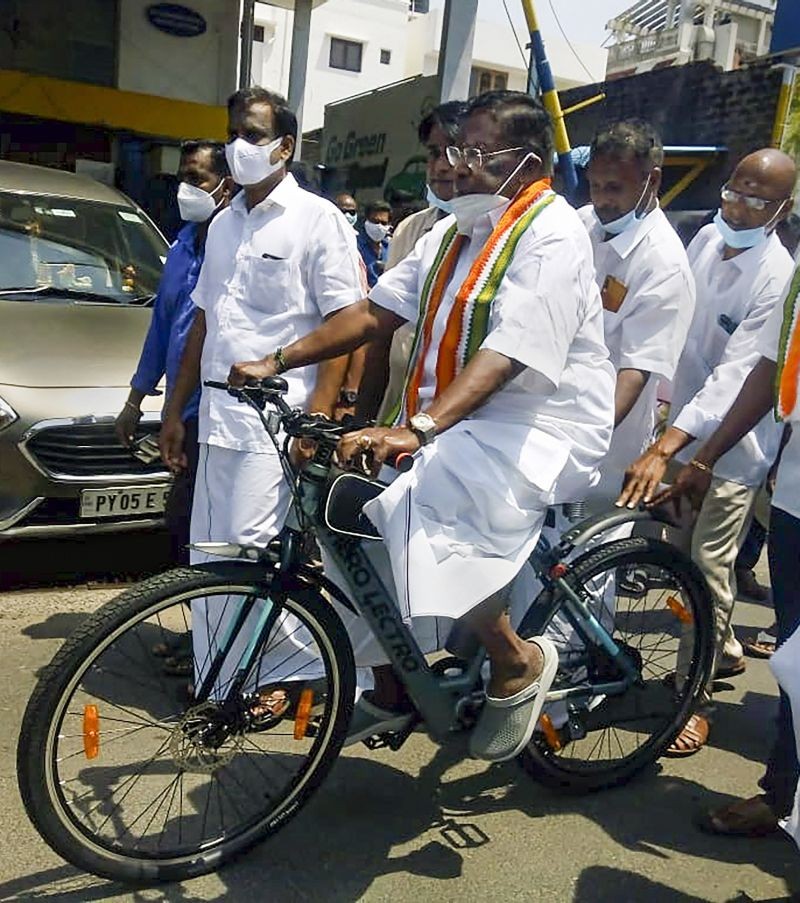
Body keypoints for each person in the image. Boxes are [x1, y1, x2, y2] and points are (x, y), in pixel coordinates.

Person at [228, 90, 616, 762]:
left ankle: (514, 659)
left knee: (416, 489)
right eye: (453, 151)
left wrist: (420, 427)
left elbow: (508, 353)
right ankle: (393, 681)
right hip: (466, 423)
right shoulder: (452, 230)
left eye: (473, 153)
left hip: (542, 424)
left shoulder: (553, 234)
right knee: (343, 509)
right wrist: (278, 358)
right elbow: (373, 315)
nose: (457, 167)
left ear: (526, 161)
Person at [158, 87, 364, 697]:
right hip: (217, 417)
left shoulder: (317, 220)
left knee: (255, 559)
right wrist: (174, 410)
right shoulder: (223, 223)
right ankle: (219, 682)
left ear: (285, 147)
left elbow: (344, 324)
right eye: (232, 133)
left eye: (251, 134)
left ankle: (268, 681)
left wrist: (320, 414)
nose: (236, 147)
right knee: (211, 558)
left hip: (276, 424)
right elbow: (203, 321)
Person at [618, 148, 796, 756]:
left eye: (757, 200)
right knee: (677, 557)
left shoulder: (776, 276)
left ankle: (693, 698)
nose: (740, 208)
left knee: (708, 568)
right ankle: (714, 650)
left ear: (783, 209)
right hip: (681, 438)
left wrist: (692, 453)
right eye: (734, 193)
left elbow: (738, 378)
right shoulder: (702, 243)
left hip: (731, 449)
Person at [648, 254, 800, 837]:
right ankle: (781, 793)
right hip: (793, 499)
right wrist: (697, 455)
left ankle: (701, 692)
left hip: (755, 468)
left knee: (711, 568)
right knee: (793, 657)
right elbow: (765, 366)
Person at [115, 139, 232, 563]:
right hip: (182, 411)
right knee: (183, 523)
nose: (187, 189)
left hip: (219, 413)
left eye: (196, 178)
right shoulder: (181, 246)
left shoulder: (235, 246)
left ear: (226, 184)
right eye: (184, 178)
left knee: (202, 523)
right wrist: (135, 400)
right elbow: (162, 328)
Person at [580, 120, 695, 506]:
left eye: (614, 188)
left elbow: (635, 370)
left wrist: (584, 438)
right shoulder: (582, 226)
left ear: (653, 180)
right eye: (595, 186)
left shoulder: (663, 265)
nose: (602, 200)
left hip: (601, 448)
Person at [356, 100, 468, 423]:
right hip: (397, 408)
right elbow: (380, 330)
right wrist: (362, 419)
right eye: (434, 153)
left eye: (453, 152)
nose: (441, 166)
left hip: (453, 419)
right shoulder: (410, 230)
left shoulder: (492, 232)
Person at [357, 200, 392, 287]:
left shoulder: (391, 247)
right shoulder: (354, 246)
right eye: (375, 222)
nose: (379, 226)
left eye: (383, 223)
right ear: (366, 221)